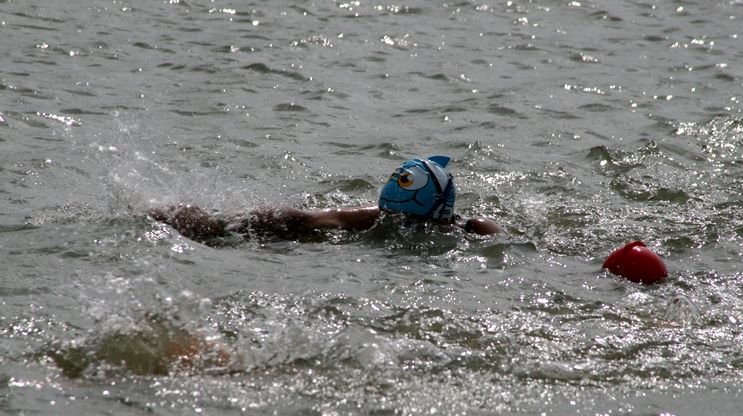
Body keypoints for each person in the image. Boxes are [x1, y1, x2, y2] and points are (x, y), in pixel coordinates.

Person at [148, 156, 503, 243]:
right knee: (306, 222)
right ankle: (216, 222)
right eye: (397, 219)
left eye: (407, 221)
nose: (400, 225)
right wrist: (222, 225)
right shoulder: (377, 218)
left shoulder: (473, 227)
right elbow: (312, 219)